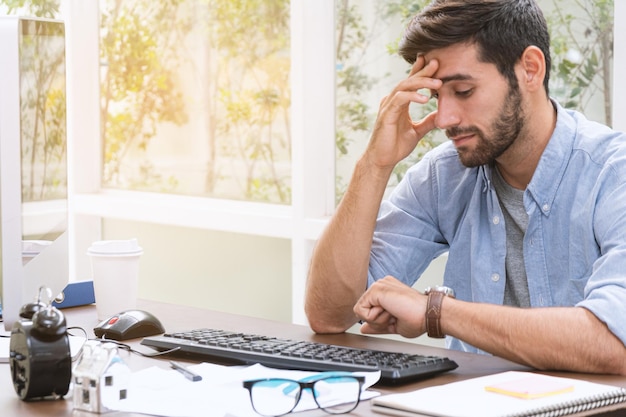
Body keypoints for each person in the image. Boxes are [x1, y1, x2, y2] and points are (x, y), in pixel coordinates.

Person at [304, 0, 626, 375]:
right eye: (438, 96)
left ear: (530, 69)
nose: (444, 118)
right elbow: (329, 313)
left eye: (463, 91)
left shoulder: (612, 174)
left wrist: (436, 312)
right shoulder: (446, 176)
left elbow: (614, 342)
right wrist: (374, 165)